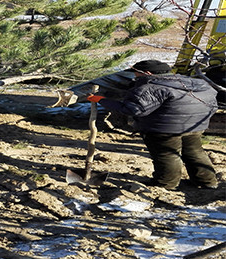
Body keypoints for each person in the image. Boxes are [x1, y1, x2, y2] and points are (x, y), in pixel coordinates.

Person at [87, 59, 218, 190]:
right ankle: (207, 182)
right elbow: (213, 105)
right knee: (194, 152)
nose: (135, 76)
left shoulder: (150, 87)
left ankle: (166, 184)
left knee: (167, 155)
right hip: (195, 126)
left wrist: (102, 100)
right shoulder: (198, 84)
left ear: (147, 73)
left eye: (136, 74)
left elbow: (134, 109)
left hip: (163, 129)